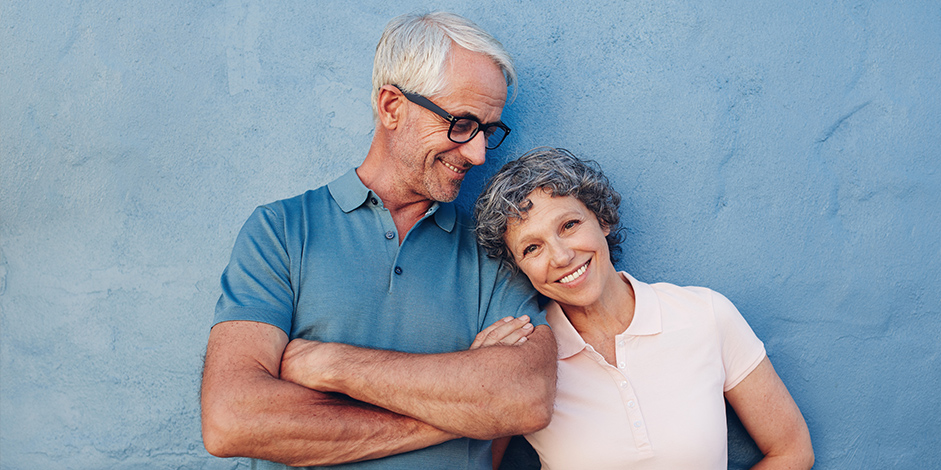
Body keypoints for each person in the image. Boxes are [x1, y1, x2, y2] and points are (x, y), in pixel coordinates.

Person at [200, 12, 557, 469]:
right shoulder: (282, 231)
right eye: (462, 123)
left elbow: (524, 398)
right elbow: (233, 418)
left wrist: (333, 365)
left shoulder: (496, 247)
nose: (478, 153)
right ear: (392, 106)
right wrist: (464, 410)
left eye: (488, 130)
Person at [474, 147, 815, 469]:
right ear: (518, 268)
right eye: (533, 248)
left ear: (602, 220)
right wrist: (478, 379)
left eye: (569, 225)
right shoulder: (524, 357)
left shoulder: (706, 315)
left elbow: (792, 450)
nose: (562, 257)